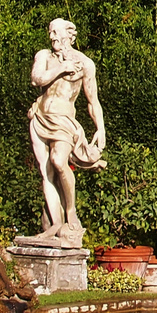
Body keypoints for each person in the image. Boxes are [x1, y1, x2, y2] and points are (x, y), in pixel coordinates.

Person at [27, 18, 105, 246]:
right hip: (40, 118)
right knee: (46, 172)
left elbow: (93, 101)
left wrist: (100, 127)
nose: (52, 37)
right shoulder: (44, 56)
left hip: (64, 121)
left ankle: (71, 212)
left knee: (59, 161)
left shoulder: (85, 63)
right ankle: (54, 223)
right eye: (50, 32)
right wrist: (62, 67)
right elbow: (36, 79)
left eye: (55, 33)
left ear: (69, 35)